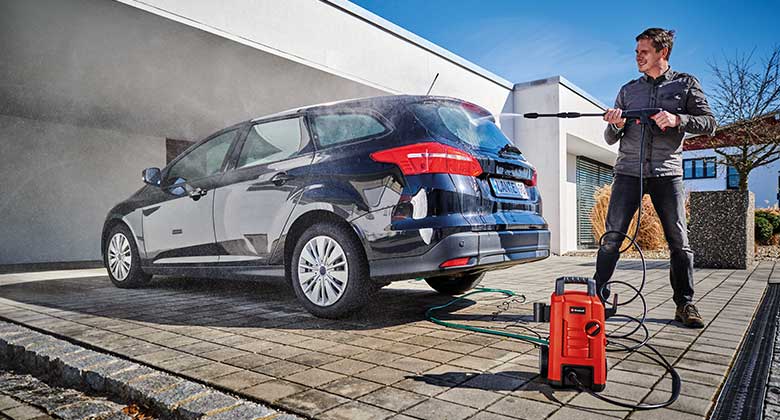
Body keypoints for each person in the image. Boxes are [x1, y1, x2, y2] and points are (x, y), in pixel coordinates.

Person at [597, 28, 716, 328]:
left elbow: (709, 123)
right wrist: (616, 124)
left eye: (644, 51)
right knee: (612, 238)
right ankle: (597, 299)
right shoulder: (628, 90)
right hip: (628, 172)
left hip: (667, 173)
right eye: (637, 51)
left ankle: (685, 304)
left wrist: (678, 119)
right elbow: (610, 138)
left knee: (679, 241)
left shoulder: (686, 84)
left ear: (663, 52)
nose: (638, 57)